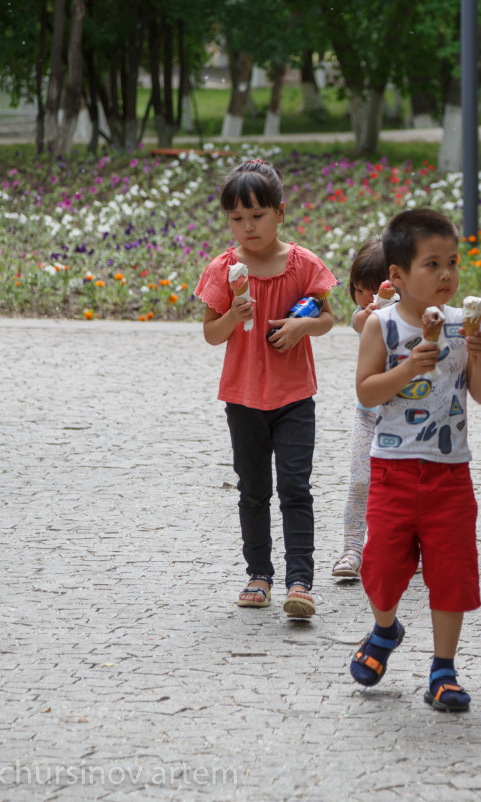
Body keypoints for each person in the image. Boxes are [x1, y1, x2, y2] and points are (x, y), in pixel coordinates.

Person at [348, 208, 481, 713]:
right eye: (431, 264)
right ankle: (385, 631)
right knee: (382, 567)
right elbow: (367, 393)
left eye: (452, 262)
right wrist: (409, 364)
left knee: (451, 572)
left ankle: (443, 669)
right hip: (392, 468)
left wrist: (479, 353)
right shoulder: (382, 327)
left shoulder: (463, 325)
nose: (447, 275)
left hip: (449, 471)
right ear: (397, 276)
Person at [195, 159, 337, 618]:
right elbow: (210, 334)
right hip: (243, 399)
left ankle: (301, 581)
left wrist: (302, 327)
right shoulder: (224, 269)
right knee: (253, 489)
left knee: (295, 487)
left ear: (280, 212)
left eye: (257, 215)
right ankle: (259, 574)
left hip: (295, 396)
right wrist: (232, 318)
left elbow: (328, 318)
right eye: (236, 218)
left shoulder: (302, 264)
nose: (247, 226)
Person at [331, 239, 389, 580]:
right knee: (360, 482)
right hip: (367, 414)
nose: (367, 298)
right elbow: (359, 322)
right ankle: (352, 549)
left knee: (409, 487)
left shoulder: (412, 315)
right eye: (359, 290)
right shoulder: (363, 316)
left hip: (407, 419)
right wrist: (373, 312)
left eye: (375, 290)